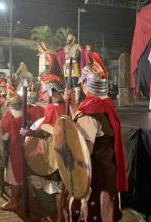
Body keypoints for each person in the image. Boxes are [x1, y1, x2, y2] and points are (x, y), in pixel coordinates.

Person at [63, 52, 128, 221]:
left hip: (95, 179)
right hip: (107, 173)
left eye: (83, 82)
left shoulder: (90, 113)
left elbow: (85, 152)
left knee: (94, 214)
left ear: (86, 82)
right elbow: (83, 117)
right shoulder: (105, 105)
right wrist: (72, 104)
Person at [22, 74, 67, 222]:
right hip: (57, 151)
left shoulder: (58, 109)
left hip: (57, 152)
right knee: (58, 186)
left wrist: (29, 132)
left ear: (51, 92)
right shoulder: (59, 106)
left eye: (44, 92)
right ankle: (58, 214)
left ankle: (60, 217)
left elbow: (45, 132)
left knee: (58, 186)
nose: (43, 96)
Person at [0, 87, 24, 211]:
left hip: (15, 150)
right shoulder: (27, 113)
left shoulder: (8, 117)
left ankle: (13, 201)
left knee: (14, 176)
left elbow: (5, 137)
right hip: (28, 149)